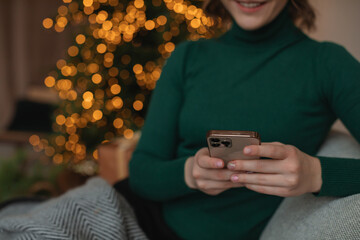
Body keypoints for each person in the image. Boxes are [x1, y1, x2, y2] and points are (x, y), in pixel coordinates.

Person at [114, 0, 360, 239]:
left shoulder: (327, 64)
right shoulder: (187, 57)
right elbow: (141, 173)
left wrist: (315, 173)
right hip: (140, 217)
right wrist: (189, 173)